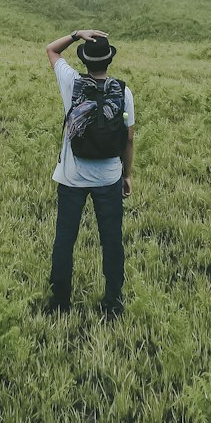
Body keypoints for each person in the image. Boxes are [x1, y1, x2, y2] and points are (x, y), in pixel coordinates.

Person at [45, 28, 135, 318]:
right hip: (109, 177)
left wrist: (75, 34)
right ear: (109, 61)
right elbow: (129, 138)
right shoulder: (123, 91)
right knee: (111, 240)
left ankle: (60, 301)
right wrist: (126, 175)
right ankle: (113, 302)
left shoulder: (71, 82)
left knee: (65, 238)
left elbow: (51, 50)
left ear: (84, 60)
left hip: (72, 177)